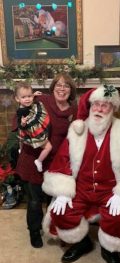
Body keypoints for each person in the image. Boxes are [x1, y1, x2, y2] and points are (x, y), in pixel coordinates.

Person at [42, 84, 120, 263]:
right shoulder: (77, 131)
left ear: (112, 109)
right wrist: (63, 191)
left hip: (110, 192)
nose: (98, 109)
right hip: (81, 189)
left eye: (105, 105)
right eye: (95, 104)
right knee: (59, 211)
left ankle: (110, 251)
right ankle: (82, 243)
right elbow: (62, 160)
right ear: (90, 107)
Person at [14, 73, 77, 248]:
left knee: (53, 199)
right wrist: (22, 128)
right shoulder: (41, 101)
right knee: (34, 201)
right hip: (33, 158)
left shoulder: (74, 110)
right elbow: (20, 116)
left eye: (66, 86)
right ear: (53, 87)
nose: (62, 89)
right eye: (58, 85)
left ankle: (52, 227)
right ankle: (34, 231)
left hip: (57, 163)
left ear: (70, 91)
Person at [15, 82, 52, 172]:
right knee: (49, 147)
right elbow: (20, 125)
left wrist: (33, 95)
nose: (27, 99)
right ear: (17, 99)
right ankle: (39, 161)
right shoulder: (21, 111)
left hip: (26, 131)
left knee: (21, 138)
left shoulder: (26, 102)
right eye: (23, 97)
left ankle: (21, 148)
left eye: (29, 96)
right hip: (30, 131)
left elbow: (28, 100)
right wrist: (23, 123)